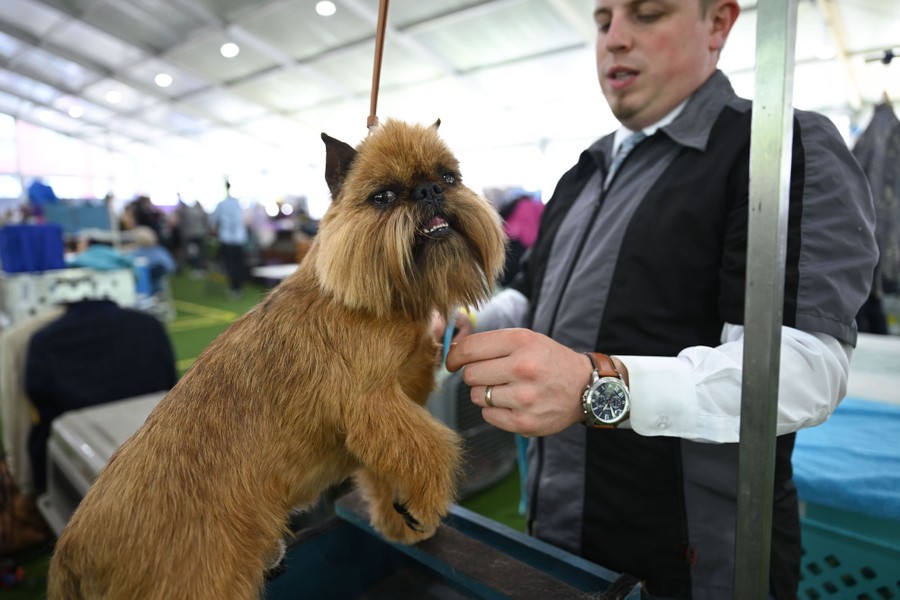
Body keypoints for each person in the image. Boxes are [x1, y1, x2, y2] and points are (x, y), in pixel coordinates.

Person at [443, 1, 878, 599]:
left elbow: (805, 368)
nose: (615, 39)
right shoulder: (583, 172)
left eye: (647, 13)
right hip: (557, 535)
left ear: (719, 23)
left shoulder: (779, 149)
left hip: (695, 565)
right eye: (602, 22)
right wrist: (467, 321)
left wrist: (597, 385)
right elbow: (531, 294)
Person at [210, 182, 248, 299]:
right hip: (238, 239)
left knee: (232, 265)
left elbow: (212, 220)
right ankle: (238, 287)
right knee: (238, 264)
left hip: (228, 238)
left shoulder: (222, 204)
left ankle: (235, 288)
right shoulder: (237, 204)